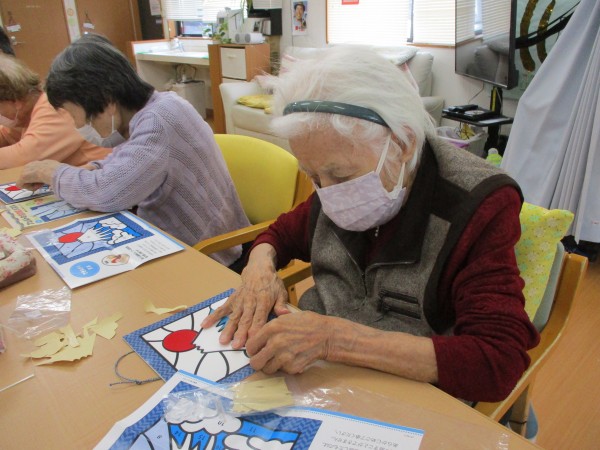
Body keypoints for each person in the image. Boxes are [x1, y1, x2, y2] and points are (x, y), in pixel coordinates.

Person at [202, 46, 540, 403]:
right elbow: (282, 233)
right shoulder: (335, 172)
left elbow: (497, 362)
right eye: (313, 175)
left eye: (340, 175)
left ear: (403, 143)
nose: (326, 193)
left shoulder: (479, 205)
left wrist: (335, 339)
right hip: (324, 376)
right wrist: (259, 270)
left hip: (413, 392)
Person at [17, 36, 250, 267]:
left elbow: (106, 193)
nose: (78, 125)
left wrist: (52, 173)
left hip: (211, 256)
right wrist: (95, 168)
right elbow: (126, 157)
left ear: (106, 101)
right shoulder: (159, 106)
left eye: (74, 114)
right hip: (192, 244)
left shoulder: (157, 123)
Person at [0, 53, 112, 169]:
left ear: (15, 101)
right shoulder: (28, 112)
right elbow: (5, 135)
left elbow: (23, 156)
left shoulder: (55, 107)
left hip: (100, 174)